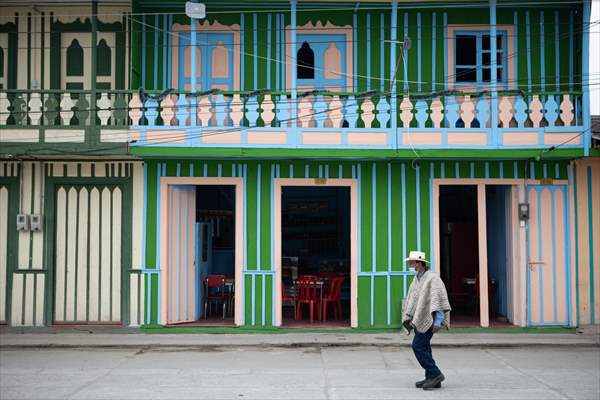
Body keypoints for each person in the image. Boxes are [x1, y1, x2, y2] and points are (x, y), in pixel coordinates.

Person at [401, 250, 451, 391]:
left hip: (430, 319)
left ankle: (435, 374)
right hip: (420, 318)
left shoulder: (432, 278)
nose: (410, 264)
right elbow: (413, 298)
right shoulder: (417, 278)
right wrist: (410, 317)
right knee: (425, 348)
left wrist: (437, 322)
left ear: (419, 263)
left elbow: (438, 300)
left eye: (412, 262)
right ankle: (431, 378)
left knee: (417, 346)